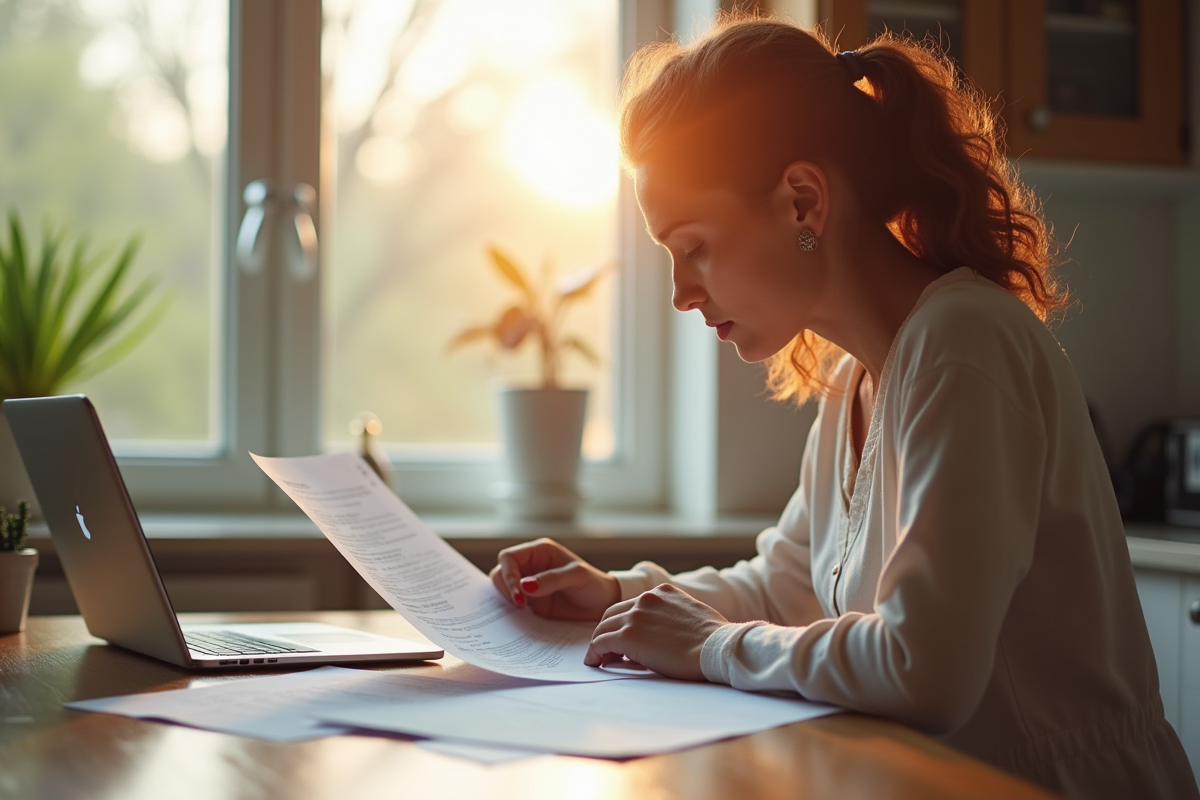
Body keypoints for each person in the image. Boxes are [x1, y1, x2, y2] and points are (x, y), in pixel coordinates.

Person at [489, 15, 1198, 799]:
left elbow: (923, 670)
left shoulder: (963, 344)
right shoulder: (858, 383)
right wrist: (620, 594)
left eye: (693, 246)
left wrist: (715, 647)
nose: (681, 293)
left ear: (802, 201)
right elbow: (781, 586)